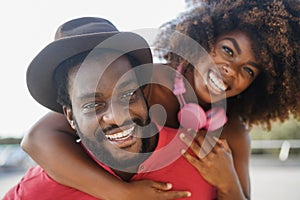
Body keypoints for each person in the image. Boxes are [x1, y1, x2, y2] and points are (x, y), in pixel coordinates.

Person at [21, 0, 300, 199]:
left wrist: (228, 182)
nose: (231, 69)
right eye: (228, 50)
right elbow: (37, 138)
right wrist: (121, 194)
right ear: (203, 38)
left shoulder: (234, 133)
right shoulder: (143, 80)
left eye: (249, 70)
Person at [4, 17, 220, 200]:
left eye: (127, 95)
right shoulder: (37, 192)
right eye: (93, 105)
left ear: (144, 94)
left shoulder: (202, 163)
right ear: (70, 116)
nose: (118, 117)